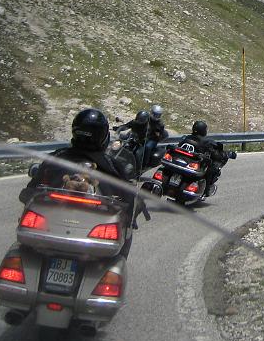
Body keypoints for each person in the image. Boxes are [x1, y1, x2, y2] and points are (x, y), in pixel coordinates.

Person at [18, 108, 141, 255]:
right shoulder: (113, 167)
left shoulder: (55, 158)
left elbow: (28, 194)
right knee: (126, 232)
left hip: (49, 230)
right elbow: (127, 200)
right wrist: (129, 221)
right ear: (103, 136)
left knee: (23, 247)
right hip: (92, 237)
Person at [178, 120, 229, 196]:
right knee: (211, 169)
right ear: (203, 130)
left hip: (180, 160)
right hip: (193, 164)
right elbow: (214, 153)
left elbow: (179, 146)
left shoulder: (186, 138)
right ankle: (206, 190)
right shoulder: (206, 141)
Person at [140, 104, 170, 170]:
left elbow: (159, 136)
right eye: (155, 114)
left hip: (153, 139)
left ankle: (144, 165)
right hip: (144, 136)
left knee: (147, 147)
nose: (156, 116)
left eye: (158, 115)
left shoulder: (160, 124)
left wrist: (156, 132)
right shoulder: (147, 118)